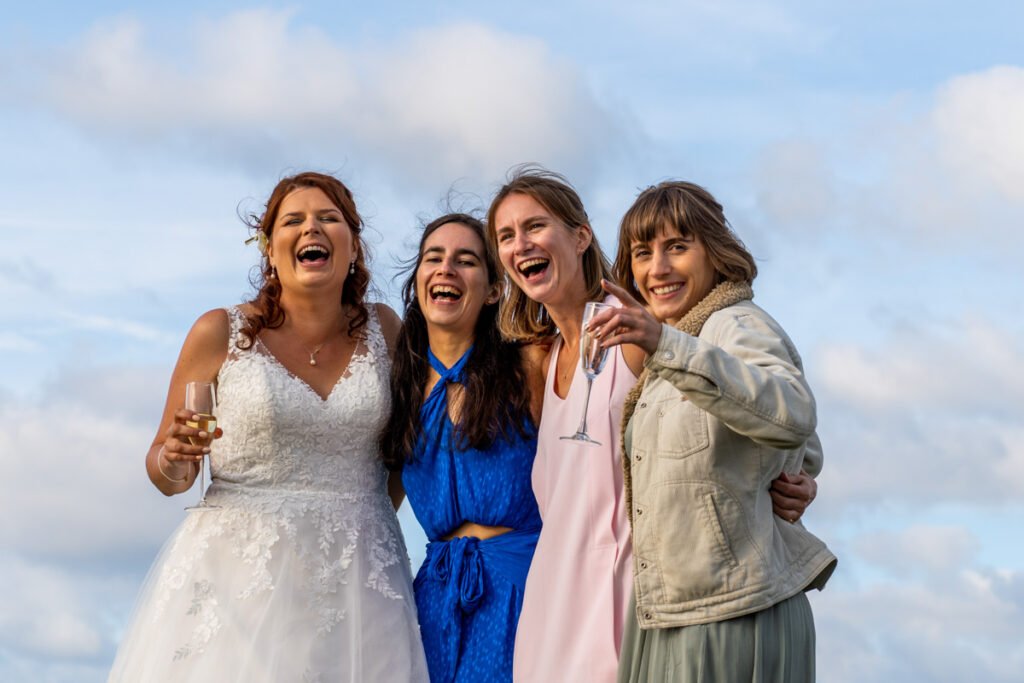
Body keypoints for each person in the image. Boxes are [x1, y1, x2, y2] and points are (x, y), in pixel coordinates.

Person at [486, 167, 821, 683]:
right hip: (555, 599)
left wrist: (794, 474)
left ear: (581, 236)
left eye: (535, 226)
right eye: (506, 236)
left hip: (636, 599)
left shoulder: (646, 329)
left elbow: (776, 407)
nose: (520, 244)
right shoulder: (544, 357)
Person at [109, 172, 428, 682]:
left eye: (328, 219)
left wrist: (356, 519)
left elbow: (404, 457)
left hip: (364, 581)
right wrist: (172, 459)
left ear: (352, 245)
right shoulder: (219, 331)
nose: (311, 230)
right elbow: (168, 474)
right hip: (237, 581)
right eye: (294, 221)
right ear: (270, 247)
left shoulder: (386, 329)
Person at [589, 180, 837, 682]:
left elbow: (791, 414)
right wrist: (794, 477)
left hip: (731, 614)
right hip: (675, 610)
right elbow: (798, 450)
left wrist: (664, 343)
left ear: (714, 252)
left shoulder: (736, 324)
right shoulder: (681, 341)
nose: (657, 268)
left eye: (677, 247)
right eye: (642, 253)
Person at [380, 214, 545, 683]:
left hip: (522, 586)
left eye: (466, 260)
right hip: (433, 598)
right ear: (418, 282)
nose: (446, 269)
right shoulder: (401, 384)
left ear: (494, 289)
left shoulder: (530, 363)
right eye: (434, 258)